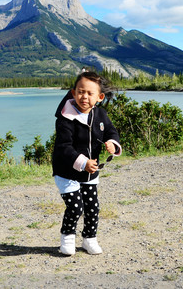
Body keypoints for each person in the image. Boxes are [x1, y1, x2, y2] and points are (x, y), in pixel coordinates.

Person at [51, 70, 122, 256]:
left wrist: (112, 144)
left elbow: (111, 132)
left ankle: (89, 239)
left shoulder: (100, 115)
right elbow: (64, 147)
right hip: (66, 171)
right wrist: (82, 163)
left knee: (92, 207)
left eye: (90, 93)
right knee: (75, 206)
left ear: (99, 97)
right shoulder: (65, 118)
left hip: (90, 172)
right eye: (81, 91)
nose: (85, 97)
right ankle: (67, 238)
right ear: (73, 93)